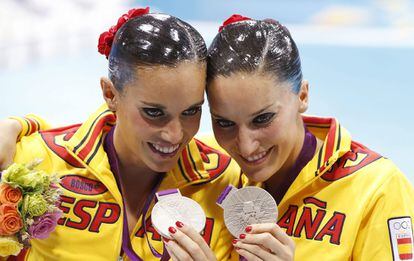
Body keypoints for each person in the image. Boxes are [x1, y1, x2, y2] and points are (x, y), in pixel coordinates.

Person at [0, 8, 242, 261]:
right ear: (110, 94)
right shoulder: (35, 162)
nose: (175, 134)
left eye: (191, 111)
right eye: (153, 112)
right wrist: (20, 125)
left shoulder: (225, 182)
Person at [205, 15, 414, 260]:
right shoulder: (207, 169)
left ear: (302, 96)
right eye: (224, 123)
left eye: (262, 119)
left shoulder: (377, 188)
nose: (246, 147)